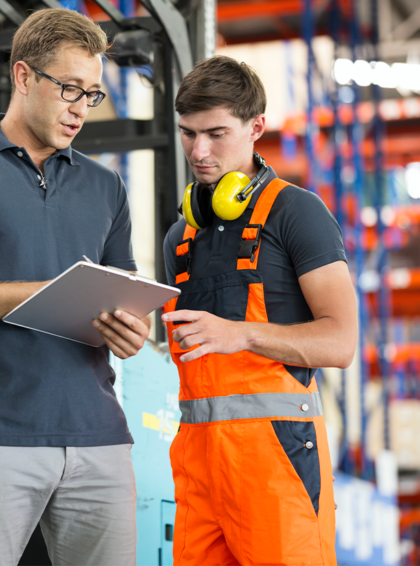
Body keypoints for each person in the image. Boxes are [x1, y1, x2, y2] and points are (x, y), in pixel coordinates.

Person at [0, 8, 150, 565]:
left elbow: (126, 299)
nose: (80, 108)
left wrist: (132, 328)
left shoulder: (106, 186)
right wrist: (45, 292)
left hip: (100, 438)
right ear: (23, 77)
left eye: (92, 95)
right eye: (69, 89)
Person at [160, 55, 357, 566]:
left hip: (278, 463)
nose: (199, 152)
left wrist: (242, 335)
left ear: (256, 128)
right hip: (196, 464)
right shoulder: (179, 238)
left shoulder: (297, 212)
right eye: (188, 134)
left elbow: (340, 343)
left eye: (216, 133)